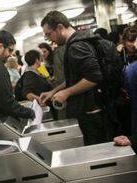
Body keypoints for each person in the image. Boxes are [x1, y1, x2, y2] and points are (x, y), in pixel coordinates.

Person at [39, 11, 107, 145]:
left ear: (60, 28)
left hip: (90, 113)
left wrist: (67, 92)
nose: (49, 39)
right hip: (89, 109)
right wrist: (54, 91)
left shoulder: (77, 46)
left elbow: (94, 77)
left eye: (48, 34)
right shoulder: (78, 41)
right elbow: (75, 78)